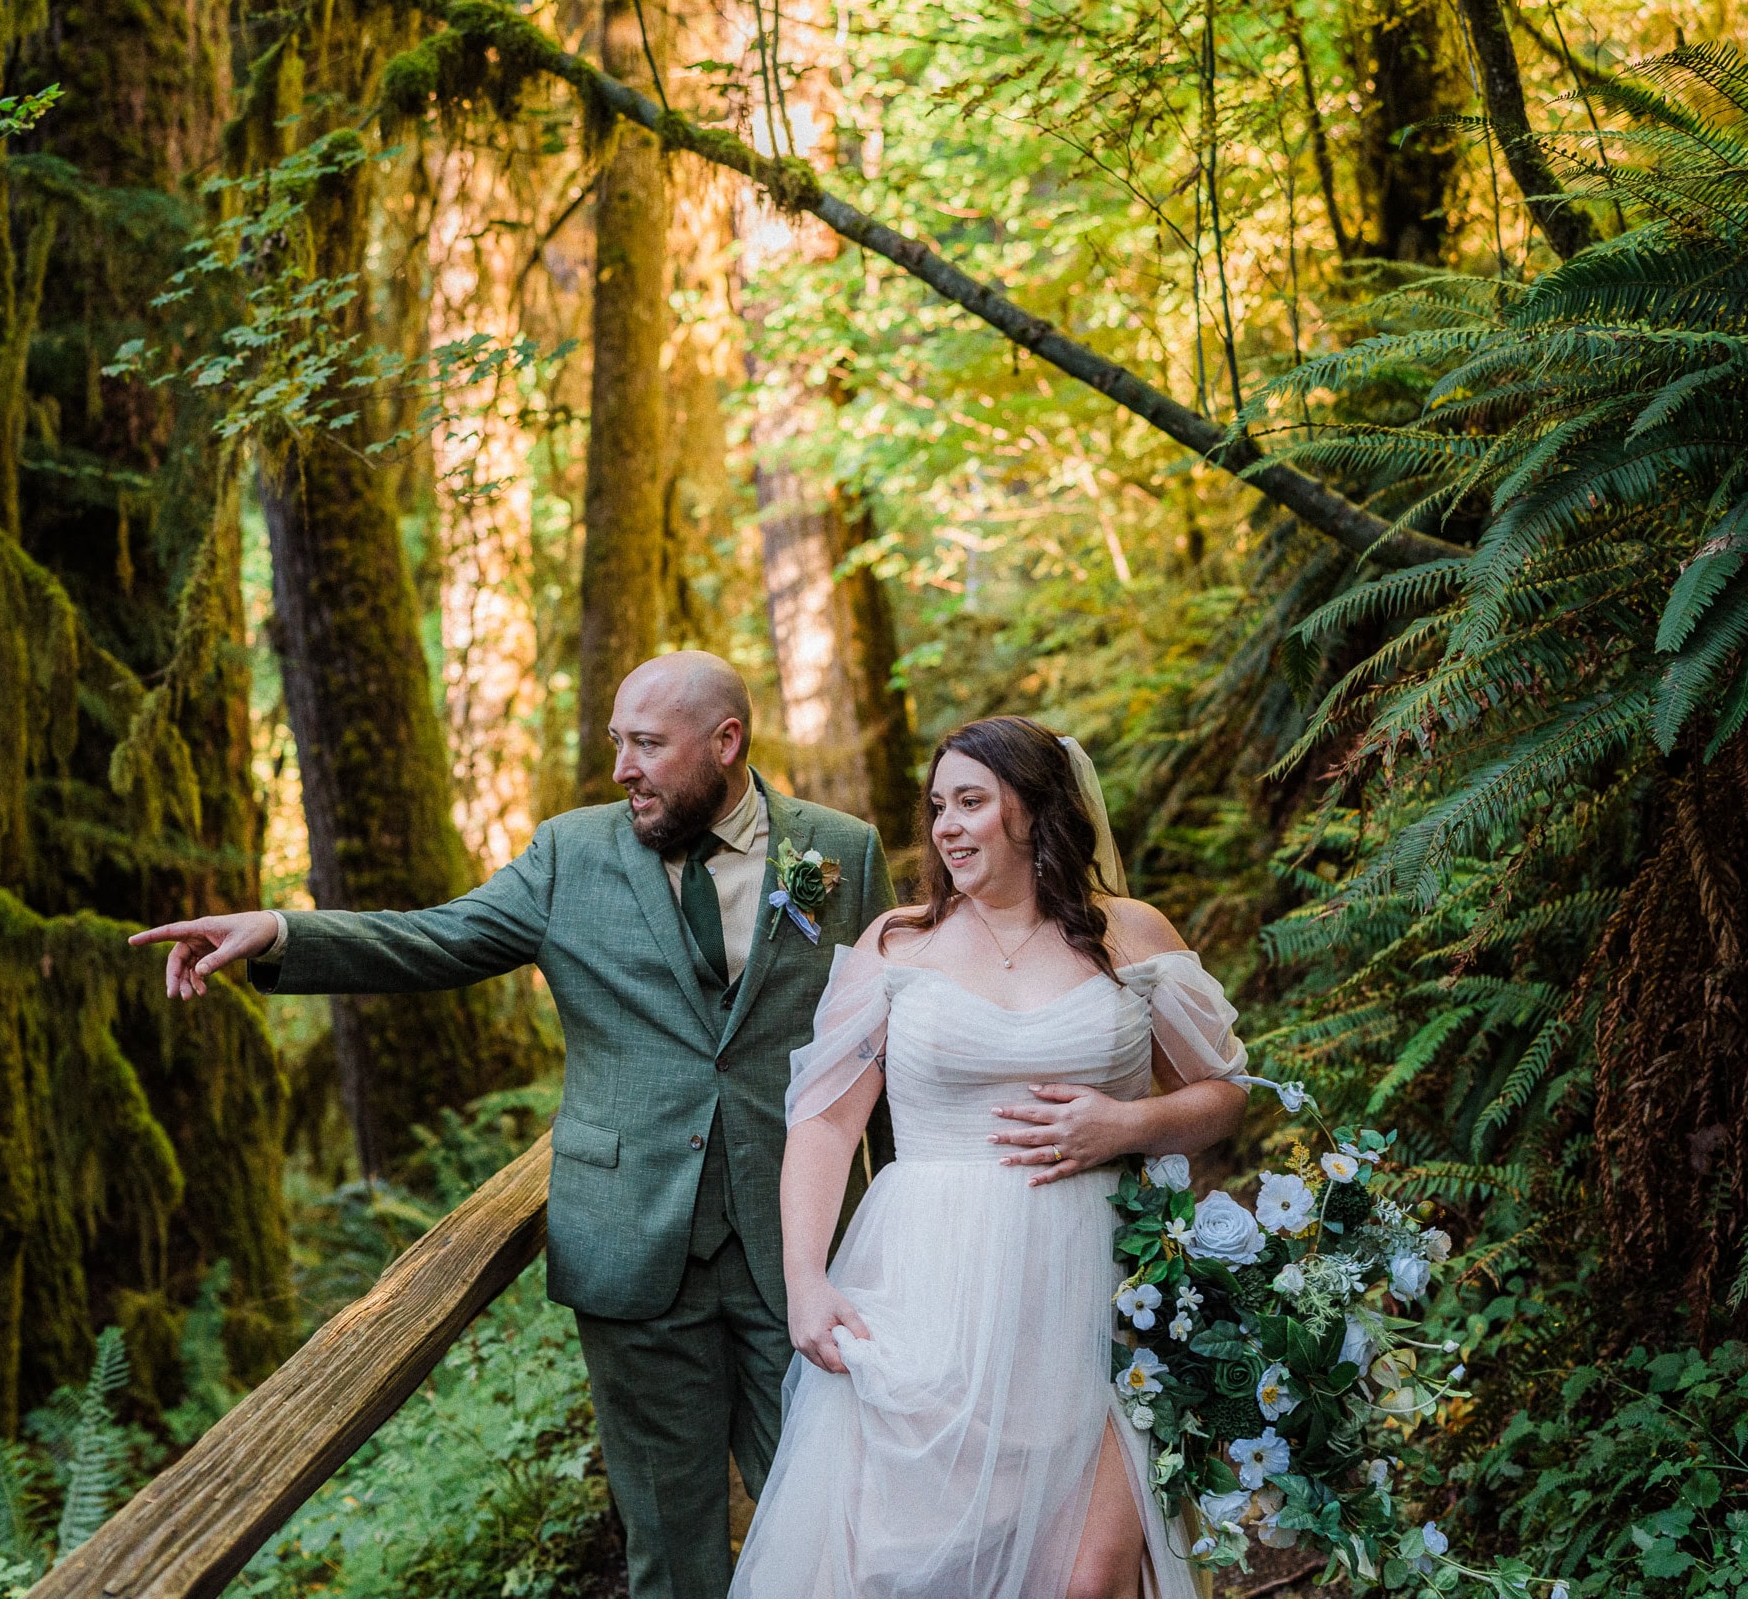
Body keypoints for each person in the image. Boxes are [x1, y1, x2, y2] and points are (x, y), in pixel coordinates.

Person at [128, 651, 893, 1599]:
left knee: (828, 1522)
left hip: (805, 1250)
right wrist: (283, 933)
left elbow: (886, 1044)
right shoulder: (569, 855)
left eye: (647, 745)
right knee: (668, 1546)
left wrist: (907, 1220)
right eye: (617, 742)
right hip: (632, 1248)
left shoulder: (841, 853)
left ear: (726, 742)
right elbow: (435, 938)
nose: (621, 768)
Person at [729, 715, 1250, 1599]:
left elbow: (1225, 1094)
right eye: (938, 807)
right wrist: (805, 1280)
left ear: (1036, 809)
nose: (947, 826)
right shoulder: (898, 944)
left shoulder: (1130, 934)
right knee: (906, 1565)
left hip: (1095, 1286)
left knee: (1086, 1580)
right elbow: (823, 1124)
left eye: (971, 802)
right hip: (923, 1284)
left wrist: (1125, 1127)